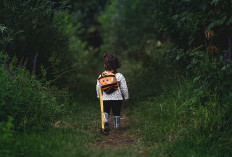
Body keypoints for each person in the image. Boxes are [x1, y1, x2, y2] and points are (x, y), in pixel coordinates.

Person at [96, 53, 129, 134]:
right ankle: (116, 125)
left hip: (105, 98)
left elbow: (98, 86)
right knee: (116, 111)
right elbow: (124, 87)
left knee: (105, 111)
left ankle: (105, 120)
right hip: (117, 98)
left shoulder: (102, 76)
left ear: (105, 65)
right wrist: (126, 96)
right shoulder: (119, 75)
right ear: (117, 64)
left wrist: (98, 95)